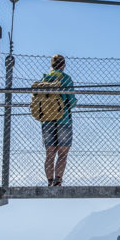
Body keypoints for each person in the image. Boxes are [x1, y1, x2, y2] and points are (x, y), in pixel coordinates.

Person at [40, 54, 77, 186]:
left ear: (51, 65)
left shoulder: (45, 79)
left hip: (47, 120)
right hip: (64, 120)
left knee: (50, 153)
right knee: (62, 153)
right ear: (63, 65)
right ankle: (58, 180)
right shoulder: (66, 79)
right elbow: (72, 102)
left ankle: (49, 181)